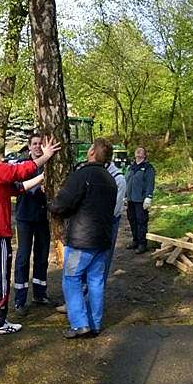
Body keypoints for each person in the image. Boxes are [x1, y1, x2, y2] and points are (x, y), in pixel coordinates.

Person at [0, 137, 60, 336]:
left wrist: (41, 178)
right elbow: (20, 171)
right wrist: (47, 156)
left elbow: (17, 188)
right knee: (0, 278)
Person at [50, 138, 117, 339]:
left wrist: (51, 205)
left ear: (91, 152)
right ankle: (95, 324)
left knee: (71, 279)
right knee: (96, 281)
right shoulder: (110, 179)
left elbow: (63, 203)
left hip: (81, 240)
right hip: (102, 238)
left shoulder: (82, 175)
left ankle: (80, 324)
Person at [55, 159, 126, 315]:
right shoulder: (107, 178)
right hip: (99, 231)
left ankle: (79, 320)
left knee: (73, 276)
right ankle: (93, 321)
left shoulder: (116, 178)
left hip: (90, 232)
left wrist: (54, 206)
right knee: (95, 278)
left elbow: (113, 209)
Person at [14, 134, 50, 315]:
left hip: (43, 217)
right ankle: (19, 299)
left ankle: (40, 293)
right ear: (29, 147)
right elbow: (17, 186)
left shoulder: (50, 165)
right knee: (23, 257)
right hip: (25, 217)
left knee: (42, 256)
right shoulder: (22, 165)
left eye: (40, 144)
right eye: (34, 144)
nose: (37, 147)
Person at [125, 146, 155, 254]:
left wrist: (148, 197)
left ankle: (142, 244)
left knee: (141, 221)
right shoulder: (131, 167)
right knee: (132, 220)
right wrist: (125, 196)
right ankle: (135, 241)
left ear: (144, 155)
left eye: (141, 150)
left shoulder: (148, 168)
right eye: (137, 150)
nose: (138, 151)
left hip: (141, 200)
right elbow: (126, 182)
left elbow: (150, 183)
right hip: (130, 199)